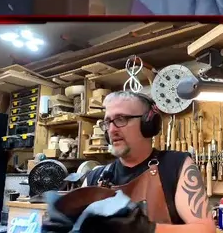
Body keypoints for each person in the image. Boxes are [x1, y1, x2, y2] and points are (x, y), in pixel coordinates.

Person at [80, 92, 215, 233]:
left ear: (148, 124)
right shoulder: (95, 178)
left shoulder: (176, 166)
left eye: (121, 119)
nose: (112, 130)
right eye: (108, 122)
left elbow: (206, 229)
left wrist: (147, 229)